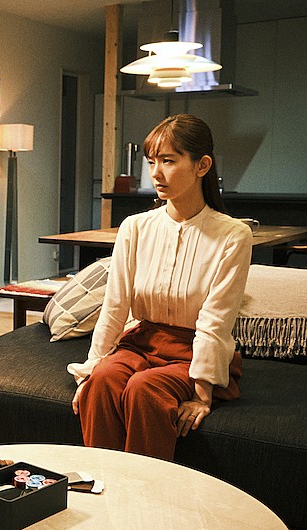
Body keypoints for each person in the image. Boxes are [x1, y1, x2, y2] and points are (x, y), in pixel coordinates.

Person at [69, 114, 252, 461]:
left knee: (145, 389)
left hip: (190, 351)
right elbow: (115, 305)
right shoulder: (135, 227)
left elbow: (216, 320)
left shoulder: (233, 235)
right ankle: (103, 483)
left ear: (202, 166)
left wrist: (201, 393)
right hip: (140, 342)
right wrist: (91, 369)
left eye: (168, 160)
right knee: (102, 382)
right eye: (151, 161)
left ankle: (146, 488)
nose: (156, 173)